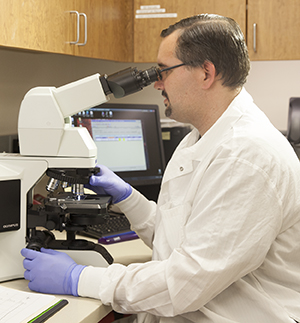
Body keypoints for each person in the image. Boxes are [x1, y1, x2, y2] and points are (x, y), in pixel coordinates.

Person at [21, 14, 300, 323]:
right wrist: (129, 199)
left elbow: (188, 279)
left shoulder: (247, 156)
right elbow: (182, 241)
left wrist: (78, 278)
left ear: (206, 73)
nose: (156, 83)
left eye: (164, 71)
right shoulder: (202, 137)